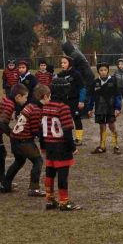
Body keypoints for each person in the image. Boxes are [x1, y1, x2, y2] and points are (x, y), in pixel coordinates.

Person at [42, 77, 82, 211]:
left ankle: (49, 199)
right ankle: (64, 201)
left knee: (50, 172)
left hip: (49, 145)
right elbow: (67, 131)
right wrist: (73, 147)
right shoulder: (63, 108)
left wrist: (43, 146)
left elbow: (40, 128)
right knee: (63, 175)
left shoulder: (46, 106)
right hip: (61, 146)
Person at [4, 84, 50, 197]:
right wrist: (44, 139)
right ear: (44, 97)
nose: (50, 99)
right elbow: (35, 130)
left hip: (15, 139)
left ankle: (5, 184)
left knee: (19, 161)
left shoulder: (30, 105)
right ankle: (34, 189)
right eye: (50, 97)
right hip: (24, 140)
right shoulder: (36, 109)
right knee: (38, 161)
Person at [88, 62, 122, 154]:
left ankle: (116, 145)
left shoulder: (113, 81)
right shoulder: (95, 83)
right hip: (100, 108)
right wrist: (90, 108)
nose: (103, 72)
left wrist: (118, 108)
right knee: (102, 128)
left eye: (105, 70)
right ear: (98, 71)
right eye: (101, 70)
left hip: (111, 108)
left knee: (112, 126)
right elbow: (91, 97)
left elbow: (118, 96)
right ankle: (102, 146)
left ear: (108, 70)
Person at [56, 56, 86, 145]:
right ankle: (66, 137)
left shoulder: (76, 74)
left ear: (69, 63)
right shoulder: (60, 75)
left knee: (76, 119)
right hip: (63, 101)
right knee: (64, 119)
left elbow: (82, 88)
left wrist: (81, 100)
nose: (62, 65)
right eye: (61, 63)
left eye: (64, 63)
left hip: (74, 100)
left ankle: (79, 138)